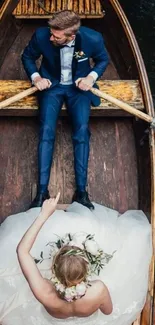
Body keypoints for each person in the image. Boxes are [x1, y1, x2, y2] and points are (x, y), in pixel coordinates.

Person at [0, 196, 152, 325]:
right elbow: (108, 311)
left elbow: (22, 250)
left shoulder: (43, 291)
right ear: (87, 270)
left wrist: (44, 214)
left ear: (54, 268)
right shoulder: (98, 290)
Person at [21, 10, 109, 210]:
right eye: (51, 33)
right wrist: (36, 78)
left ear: (72, 35)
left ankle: (81, 192)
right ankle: (42, 192)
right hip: (51, 85)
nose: (51, 37)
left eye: (57, 36)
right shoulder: (42, 35)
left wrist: (90, 78)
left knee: (81, 132)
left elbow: (103, 60)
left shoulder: (93, 39)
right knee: (46, 131)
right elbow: (27, 57)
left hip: (79, 88)